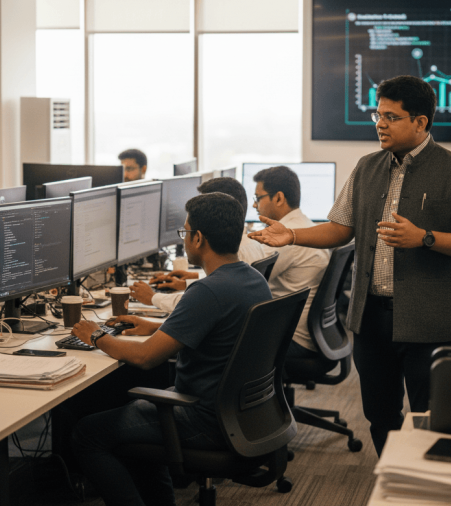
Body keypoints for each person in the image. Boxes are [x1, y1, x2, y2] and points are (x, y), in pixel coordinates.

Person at [249, 75, 451, 455]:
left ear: (420, 122)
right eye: (377, 115)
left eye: (391, 117)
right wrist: (292, 235)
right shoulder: (367, 167)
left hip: (428, 321)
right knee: (380, 415)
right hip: (371, 318)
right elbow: (339, 229)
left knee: (432, 416)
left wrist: (424, 237)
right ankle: (389, 478)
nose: (380, 124)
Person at [71, 192, 271, 506]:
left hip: (203, 419)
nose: (185, 238)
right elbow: (215, 330)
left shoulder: (206, 291)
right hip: (242, 415)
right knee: (137, 422)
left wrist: (96, 335)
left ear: (199, 238)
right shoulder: (254, 279)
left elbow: (144, 357)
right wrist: (159, 327)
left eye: (185, 232)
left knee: (87, 434)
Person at [129, 176, 267, 309]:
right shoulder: (249, 244)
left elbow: (202, 302)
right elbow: (219, 291)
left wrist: (153, 297)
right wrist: (188, 282)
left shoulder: (239, 252)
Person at [250, 166, 331, 365]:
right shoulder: (306, 226)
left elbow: (247, 282)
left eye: (258, 198)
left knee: (217, 339)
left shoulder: (287, 240)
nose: (254, 205)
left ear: (278, 198)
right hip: (312, 335)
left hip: (292, 339)